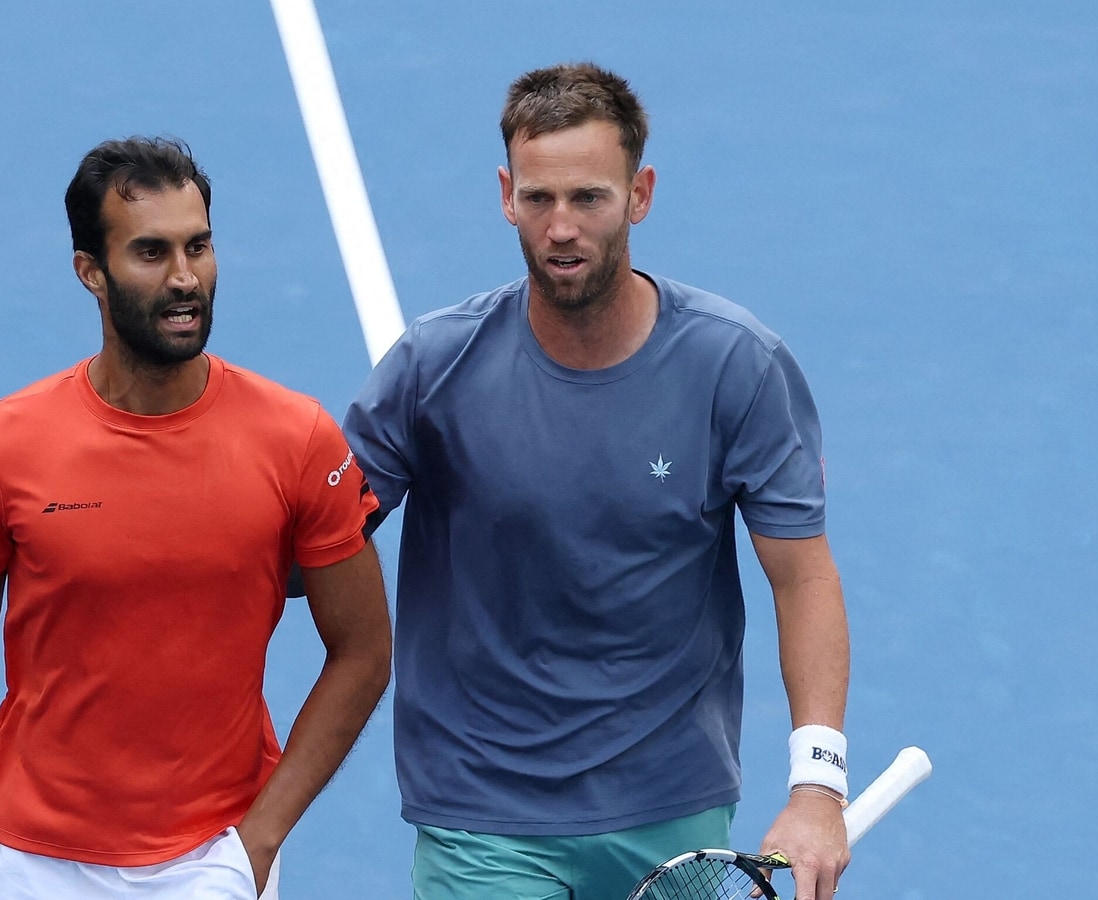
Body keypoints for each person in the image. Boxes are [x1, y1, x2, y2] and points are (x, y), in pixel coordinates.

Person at [344, 63, 852, 900]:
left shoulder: (737, 368)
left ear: (640, 194)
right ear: (506, 195)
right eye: (539, 199)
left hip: (670, 807)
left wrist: (817, 786)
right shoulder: (432, 369)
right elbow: (314, 544)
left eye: (589, 198)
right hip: (484, 814)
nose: (561, 228)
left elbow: (802, 578)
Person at [0, 136, 392, 900]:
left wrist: (255, 844)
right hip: (37, 869)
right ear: (91, 271)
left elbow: (363, 650)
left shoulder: (297, 438)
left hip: (215, 860)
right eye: (151, 253)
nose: (185, 278)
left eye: (199, 247)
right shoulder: (0, 446)